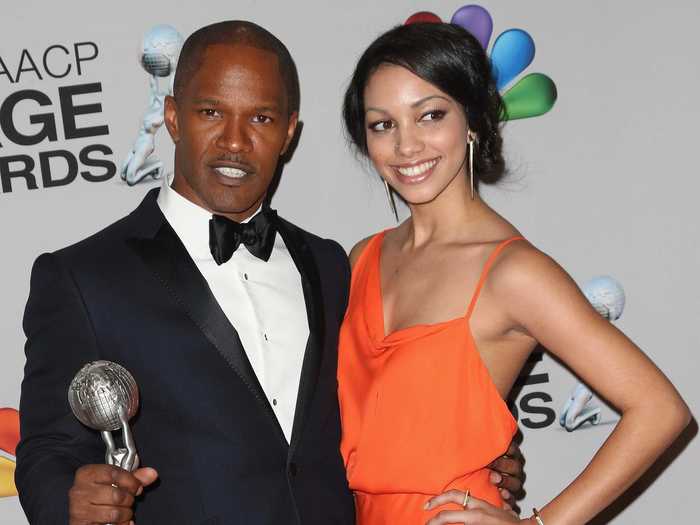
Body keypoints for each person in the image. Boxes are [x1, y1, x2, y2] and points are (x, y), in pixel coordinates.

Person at [15, 21, 522, 525]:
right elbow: (46, 451)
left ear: (288, 132)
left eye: (260, 117)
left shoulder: (330, 265)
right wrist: (69, 503)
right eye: (211, 112)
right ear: (172, 118)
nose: (235, 142)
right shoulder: (84, 277)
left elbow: (385, 399)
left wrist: (472, 451)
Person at [337, 22, 691, 525]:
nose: (406, 145)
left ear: (472, 121)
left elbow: (659, 410)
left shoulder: (513, 273)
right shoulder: (362, 258)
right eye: (382, 124)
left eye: (430, 115)